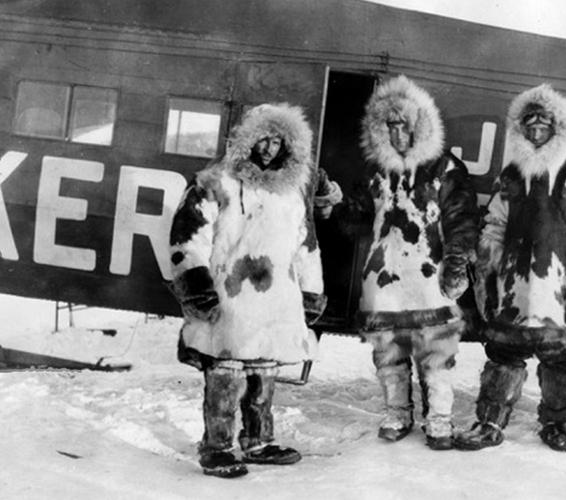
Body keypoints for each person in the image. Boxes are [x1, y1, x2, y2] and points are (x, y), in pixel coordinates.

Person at [168, 103, 339, 478]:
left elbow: (305, 246)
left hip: (274, 303)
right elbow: (187, 237)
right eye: (262, 138)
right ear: (247, 139)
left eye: (277, 140)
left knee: (263, 377)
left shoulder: (290, 191)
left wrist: (311, 293)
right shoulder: (216, 181)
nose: (268, 147)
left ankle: (258, 442)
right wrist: (197, 288)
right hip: (227, 300)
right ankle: (217, 447)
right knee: (225, 377)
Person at [454, 84, 566, 452]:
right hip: (513, 287)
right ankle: (490, 421)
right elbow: (493, 226)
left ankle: (557, 423)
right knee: (504, 353)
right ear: (520, 129)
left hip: (559, 288)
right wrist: (485, 278)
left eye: (544, 125)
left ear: (558, 128)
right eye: (530, 125)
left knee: (558, 358)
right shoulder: (512, 175)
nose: (537, 130)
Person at [352, 75, 479, 450]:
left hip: (429, 278)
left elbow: (462, 220)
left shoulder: (445, 168)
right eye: (388, 126)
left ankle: (438, 419)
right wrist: (335, 204)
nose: (396, 134)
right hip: (384, 278)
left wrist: (456, 261)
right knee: (389, 352)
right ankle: (398, 412)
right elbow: (357, 217)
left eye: (403, 125)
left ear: (419, 126)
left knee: (436, 353)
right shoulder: (375, 171)